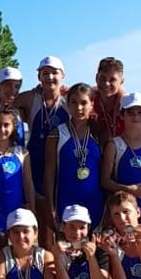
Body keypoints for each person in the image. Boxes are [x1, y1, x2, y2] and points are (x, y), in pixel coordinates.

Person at [17, 57, 69, 236]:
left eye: (54, 73)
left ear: (63, 76)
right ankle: (47, 262)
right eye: (45, 73)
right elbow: (6, 105)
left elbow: (95, 93)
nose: (50, 77)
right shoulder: (31, 98)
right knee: (44, 227)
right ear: (39, 76)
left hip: (63, 170)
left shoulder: (70, 100)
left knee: (66, 226)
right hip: (37, 169)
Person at [101, 92, 141, 236]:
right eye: (130, 112)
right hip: (123, 216)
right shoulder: (114, 145)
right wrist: (128, 189)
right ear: (122, 115)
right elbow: (105, 181)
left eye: (140, 112)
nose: (136, 117)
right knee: (126, 254)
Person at [43, 83, 104, 233]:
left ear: (92, 104)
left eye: (84, 103)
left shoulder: (99, 133)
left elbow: (105, 172)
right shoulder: (57, 134)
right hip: (65, 202)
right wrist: (50, 206)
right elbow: (49, 173)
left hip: (95, 203)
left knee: (93, 252)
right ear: (67, 104)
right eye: (74, 102)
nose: (79, 108)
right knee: (67, 252)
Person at [0, 108, 35, 255]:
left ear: (13, 127)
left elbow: (28, 184)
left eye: (6, 125)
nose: (1, 129)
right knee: (0, 250)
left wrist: (32, 209)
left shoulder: (22, 153)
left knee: (20, 249)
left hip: (17, 208)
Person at [91, 57, 127, 147]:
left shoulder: (128, 106)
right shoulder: (89, 101)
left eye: (112, 80)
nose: (106, 83)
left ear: (121, 81)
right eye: (103, 78)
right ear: (96, 78)